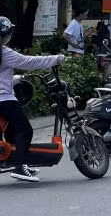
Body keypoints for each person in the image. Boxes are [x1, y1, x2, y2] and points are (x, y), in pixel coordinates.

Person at [0, 16, 65, 182]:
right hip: (4, 100)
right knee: (25, 130)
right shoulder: (3, 51)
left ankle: (16, 160)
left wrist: (15, 79)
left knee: (11, 132)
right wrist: (55, 59)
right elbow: (28, 61)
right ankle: (20, 167)